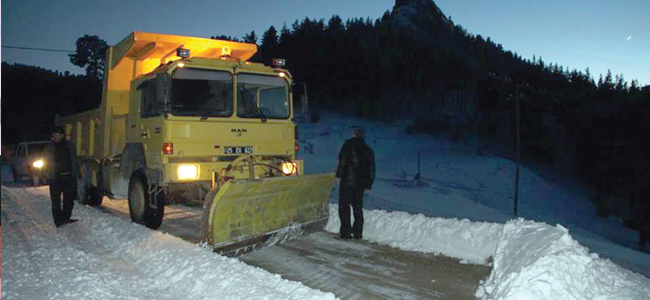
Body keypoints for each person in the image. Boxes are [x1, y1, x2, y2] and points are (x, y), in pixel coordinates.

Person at [335, 126, 375, 240]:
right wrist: (368, 185)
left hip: (347, 181)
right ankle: (357, 232)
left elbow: (342, 161)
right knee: (357, 207)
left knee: (344, 207)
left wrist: (338, 174)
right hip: (360, 184)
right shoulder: (368, 150)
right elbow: (371, 169)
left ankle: (345, 233)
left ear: (354, 134)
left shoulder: (347, 145)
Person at [43, 126, 79, 227]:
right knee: (56, 201)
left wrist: (76, 174)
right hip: (55, 178)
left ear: (62, 135)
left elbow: (74, 160)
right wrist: (46, 173)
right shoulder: (49, 147)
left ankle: (66, 217)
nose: (54, 136)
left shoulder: (70, 146)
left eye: (56, 134)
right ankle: (58, 220)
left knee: (69, 199)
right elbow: (45, 161)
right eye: (53, 134)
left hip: (69, 177)